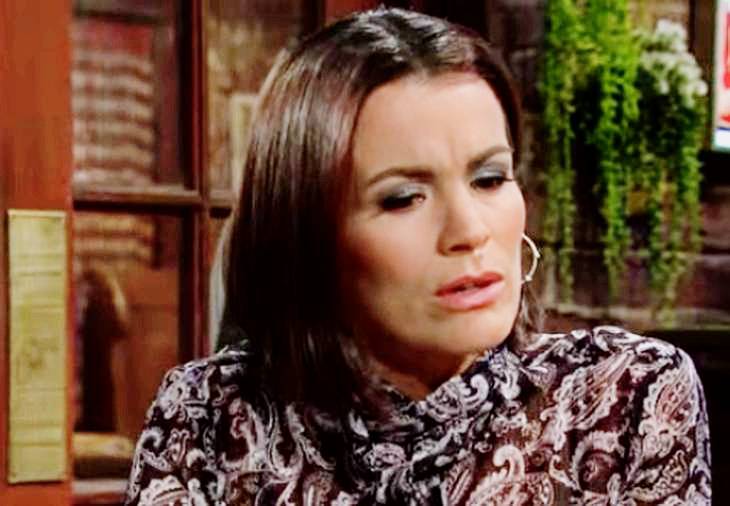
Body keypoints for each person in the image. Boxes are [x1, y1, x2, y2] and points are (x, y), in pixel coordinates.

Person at [125, 8, 711, 505]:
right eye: (403, 198)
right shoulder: (205, 417)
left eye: (489, 179)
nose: (469, 230)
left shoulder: (625, 397)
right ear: (308, 233)